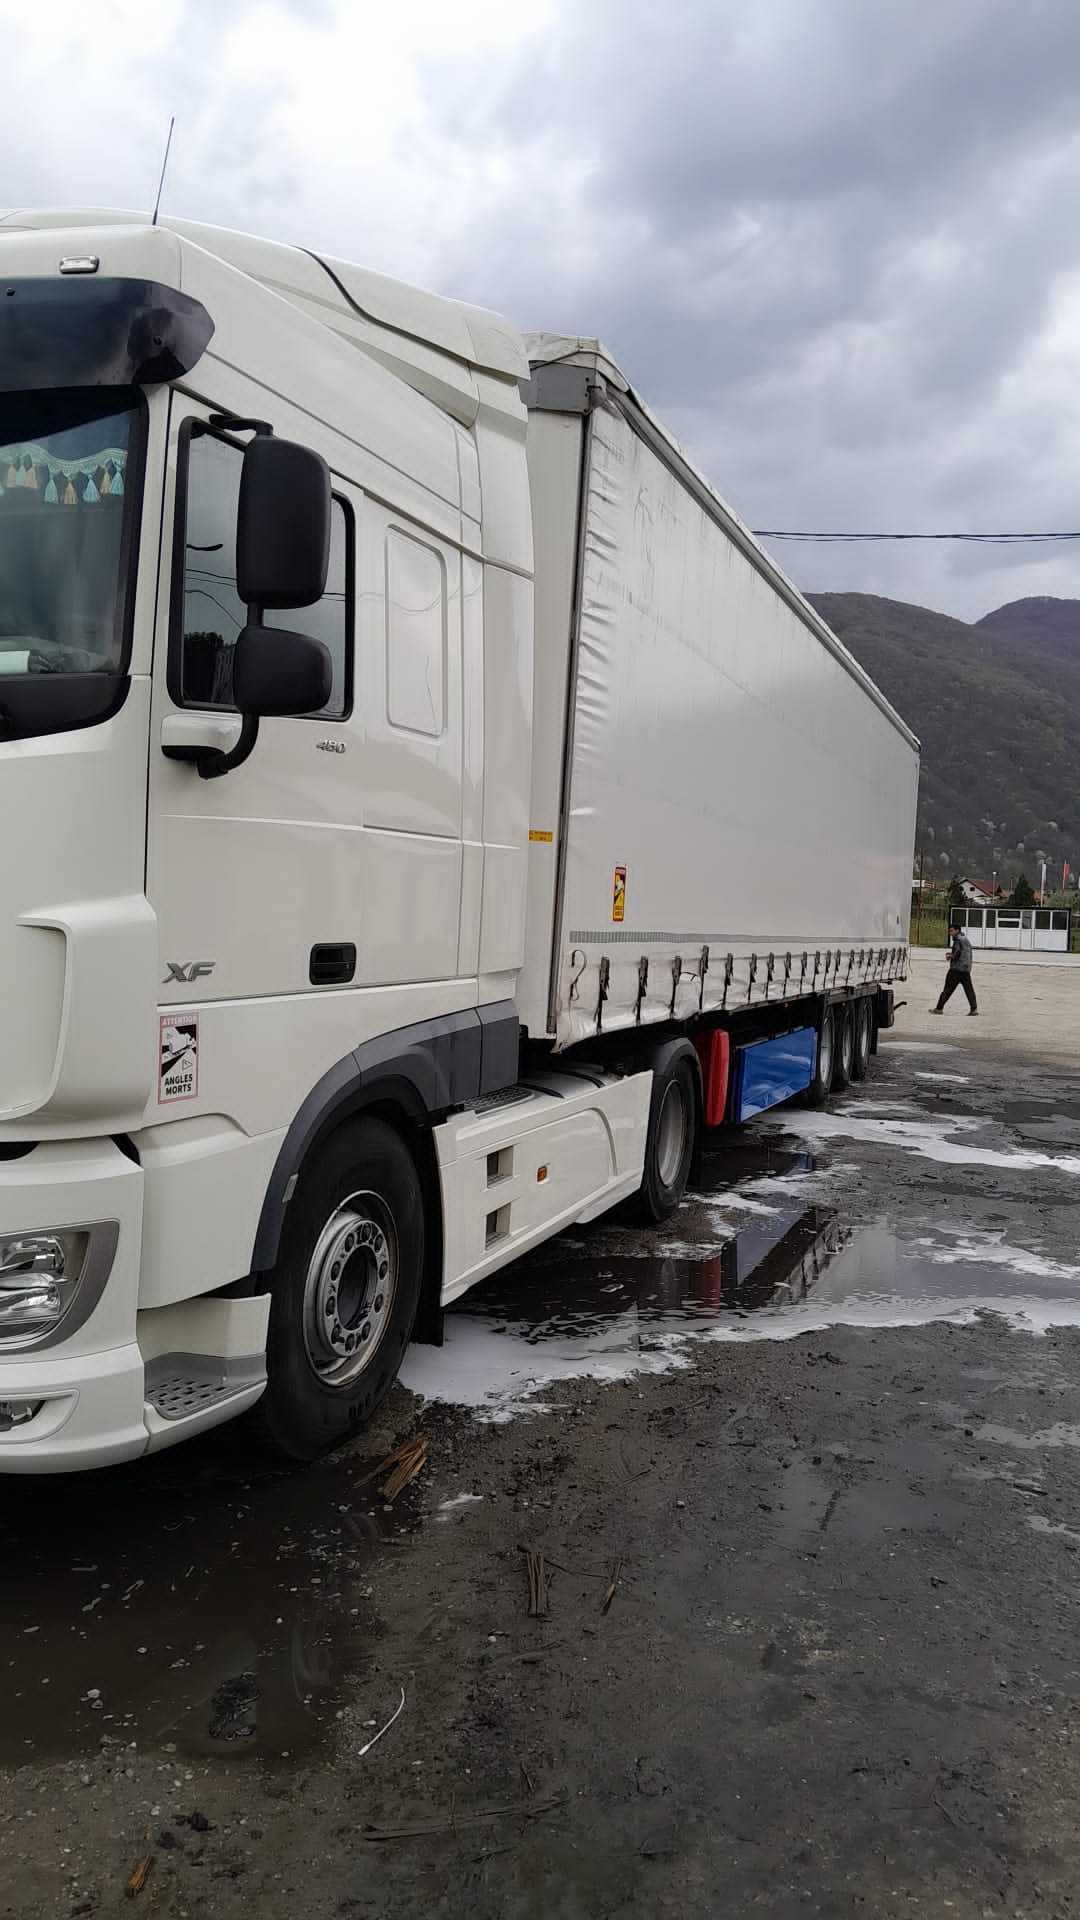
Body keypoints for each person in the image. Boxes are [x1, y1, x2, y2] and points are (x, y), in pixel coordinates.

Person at [931, 923, 977, 1015]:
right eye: (949, 931)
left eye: (951, 931)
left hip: (956, 969)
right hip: (965, 969)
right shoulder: (965, 939)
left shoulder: (958, 940)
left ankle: (939, 1008)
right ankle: (974, 1009)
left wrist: (950, 956)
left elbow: (957, 952)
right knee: (969, 990)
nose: (950, 933)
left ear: (957, 930)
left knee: (947, 989)